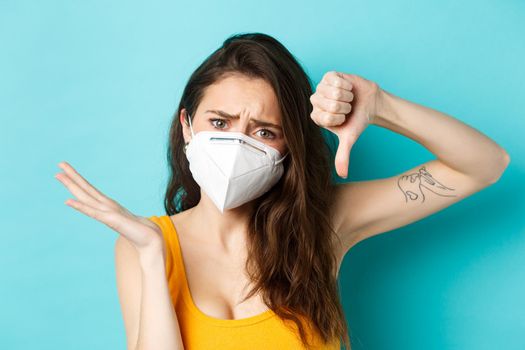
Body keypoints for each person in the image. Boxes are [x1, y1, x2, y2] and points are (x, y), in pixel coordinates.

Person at [54, 32, 510, 350]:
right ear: (187, 126)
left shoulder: (325, 222)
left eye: (265, 131)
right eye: (220, 122)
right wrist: (154, 259)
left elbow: (484, 165)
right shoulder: (140, 245)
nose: (238, 143)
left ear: (289, 144)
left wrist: (382, 106)